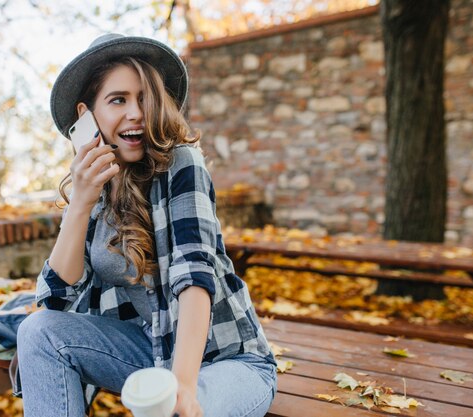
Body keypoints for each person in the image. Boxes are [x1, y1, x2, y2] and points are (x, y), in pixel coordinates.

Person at [16, 33, 277, 417]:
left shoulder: (181, 163)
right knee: (38, 332)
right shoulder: (96, 183)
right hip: (148, 352)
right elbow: (56, 301)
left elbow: (194, 277)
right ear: (86, 115)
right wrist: (81, 203)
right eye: (118, 99)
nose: (136, 112)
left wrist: (182, 387)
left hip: (224, 361)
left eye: (144, 98)